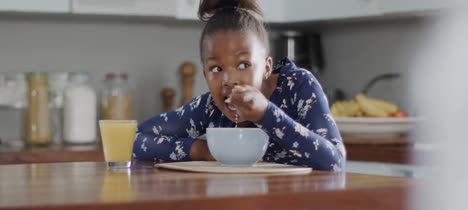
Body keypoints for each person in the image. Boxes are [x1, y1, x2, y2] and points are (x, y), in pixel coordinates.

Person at [133, 0, 346, 171]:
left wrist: (266, 114)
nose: (229, 79)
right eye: (216, 69)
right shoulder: (210, 107)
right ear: (205, 73)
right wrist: (201, 150)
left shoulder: (298, 86)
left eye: (243, 64)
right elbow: (136, 140)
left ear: (266, 67)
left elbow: (335, 162)